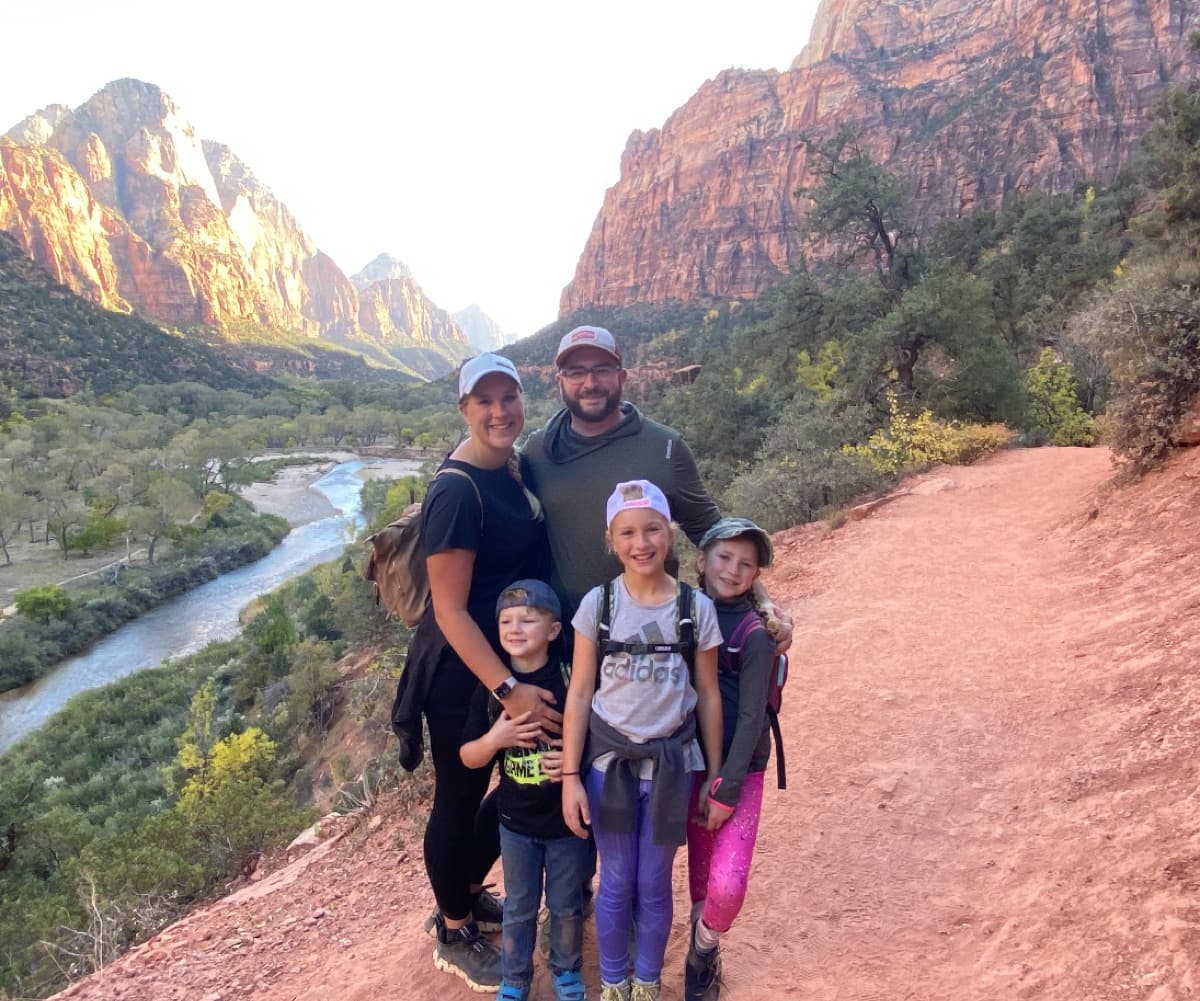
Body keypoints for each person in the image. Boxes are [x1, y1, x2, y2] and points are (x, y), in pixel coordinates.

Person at [391, 352, 560, 993]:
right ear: (463, 408)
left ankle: (463, 888)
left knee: (516, 783)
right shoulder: (457, 490)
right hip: (465, 674)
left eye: (507, 397)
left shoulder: (509, 469)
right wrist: (510, 690)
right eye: (483, 401)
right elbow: (451, 611)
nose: (498, 411)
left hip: (507, 661)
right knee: (459, 801)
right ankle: (454, 928)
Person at [520, 325, 792, 647]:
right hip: (568, 639)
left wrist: (762, 603)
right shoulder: (537, 452)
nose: (589, 383)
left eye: (601, 370)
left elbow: (712, 532)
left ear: (622, 377)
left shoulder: (664, 446)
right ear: (559, 382)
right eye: (576, 372)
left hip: (655, 642)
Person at [560, 480, 726, 1001]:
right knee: (615, 881)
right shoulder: (599, 604)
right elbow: (581, 690)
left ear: (670, 534)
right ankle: (613, 983)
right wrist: (569, 777)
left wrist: (714, 774)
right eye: (627, 532)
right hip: (608, 765)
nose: (641, 542)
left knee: (653, 883)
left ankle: (647, 982)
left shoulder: (695, 608)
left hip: (674, 766)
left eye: (652, 528)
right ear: (611, 540)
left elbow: (709, 694)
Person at [460, 580, 589, 1001]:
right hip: (515, 825)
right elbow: (468, 756)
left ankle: (566, 972)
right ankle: (515, 978)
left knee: (567, 904)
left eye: (527, 619)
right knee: (519, 906)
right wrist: (497, 738)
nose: (515, 628)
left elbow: (599, 734)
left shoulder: (571, 678)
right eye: (505, 620)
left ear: (553, 630)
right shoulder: (494, 687)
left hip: (567, 822)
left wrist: (574, 764)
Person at [683, 517, 779, 1001]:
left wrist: (726, 786)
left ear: (756, 574)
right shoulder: (681, 610)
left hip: (738, 773)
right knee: (694, 879)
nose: (733, 570)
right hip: (682, 764)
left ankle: (703, 948)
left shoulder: (754, 635)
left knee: (726, 886)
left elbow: (751, 719)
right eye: (724, 557)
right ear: (702, 561)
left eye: (746, 564)